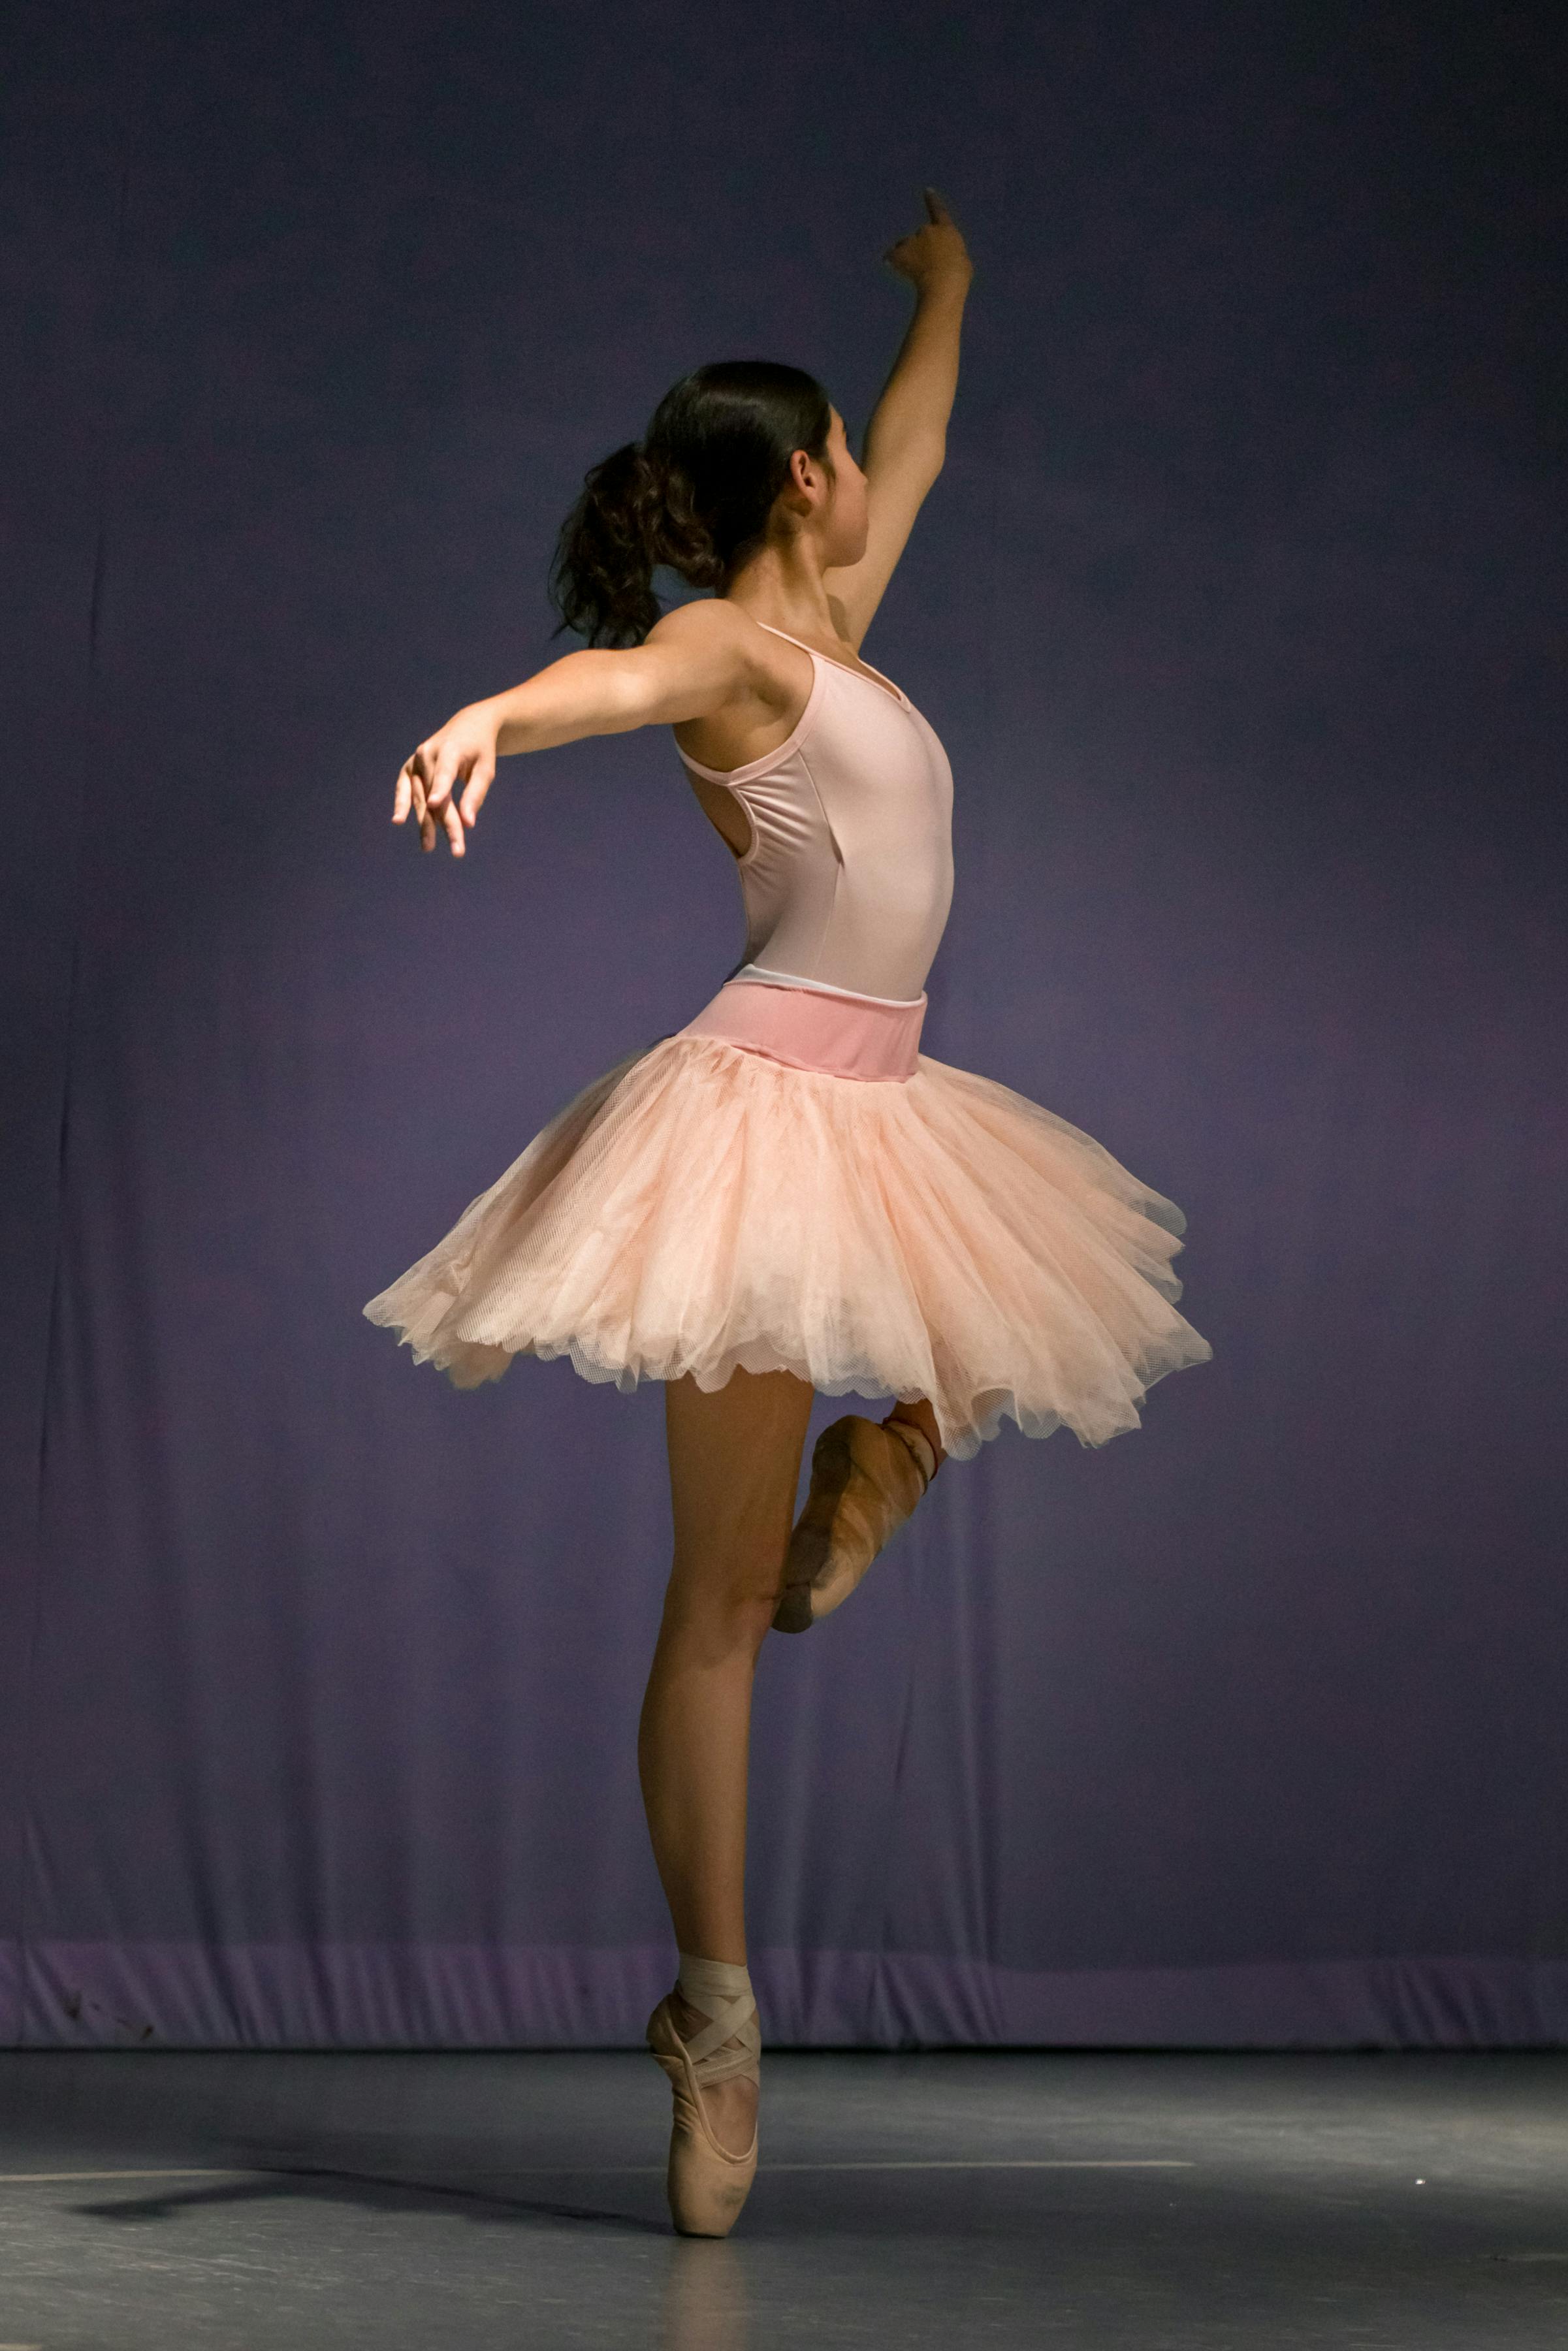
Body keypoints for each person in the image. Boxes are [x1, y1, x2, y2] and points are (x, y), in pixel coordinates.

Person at [364, 190, 1212, 2237]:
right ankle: (719, 2028)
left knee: (977, 1361)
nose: (863, 467)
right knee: (714, 1611)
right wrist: (486, 717)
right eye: (834, 448)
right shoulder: (732, 643)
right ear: (785, 488)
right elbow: (615, 684)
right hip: (757, 1117)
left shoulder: (840, 617)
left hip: (892, 1101)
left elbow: (919, 444)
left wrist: (947, 295)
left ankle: (881, 1468)